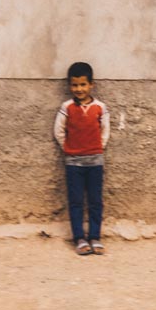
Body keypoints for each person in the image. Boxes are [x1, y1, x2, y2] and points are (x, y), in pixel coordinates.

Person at [54, 62, 110, 255]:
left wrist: (97, 148)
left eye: (83, 85)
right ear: (70, 86)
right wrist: (69, 148)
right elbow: (59, 131)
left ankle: (95, 237)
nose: (79, 89)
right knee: (76, 200)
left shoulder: (100, 108)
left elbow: (105, 131)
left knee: (95, 201)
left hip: (95, 162)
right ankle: (79, 238)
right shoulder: (67, 107)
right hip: (73, 163)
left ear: (91, 85)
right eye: (75, 85)